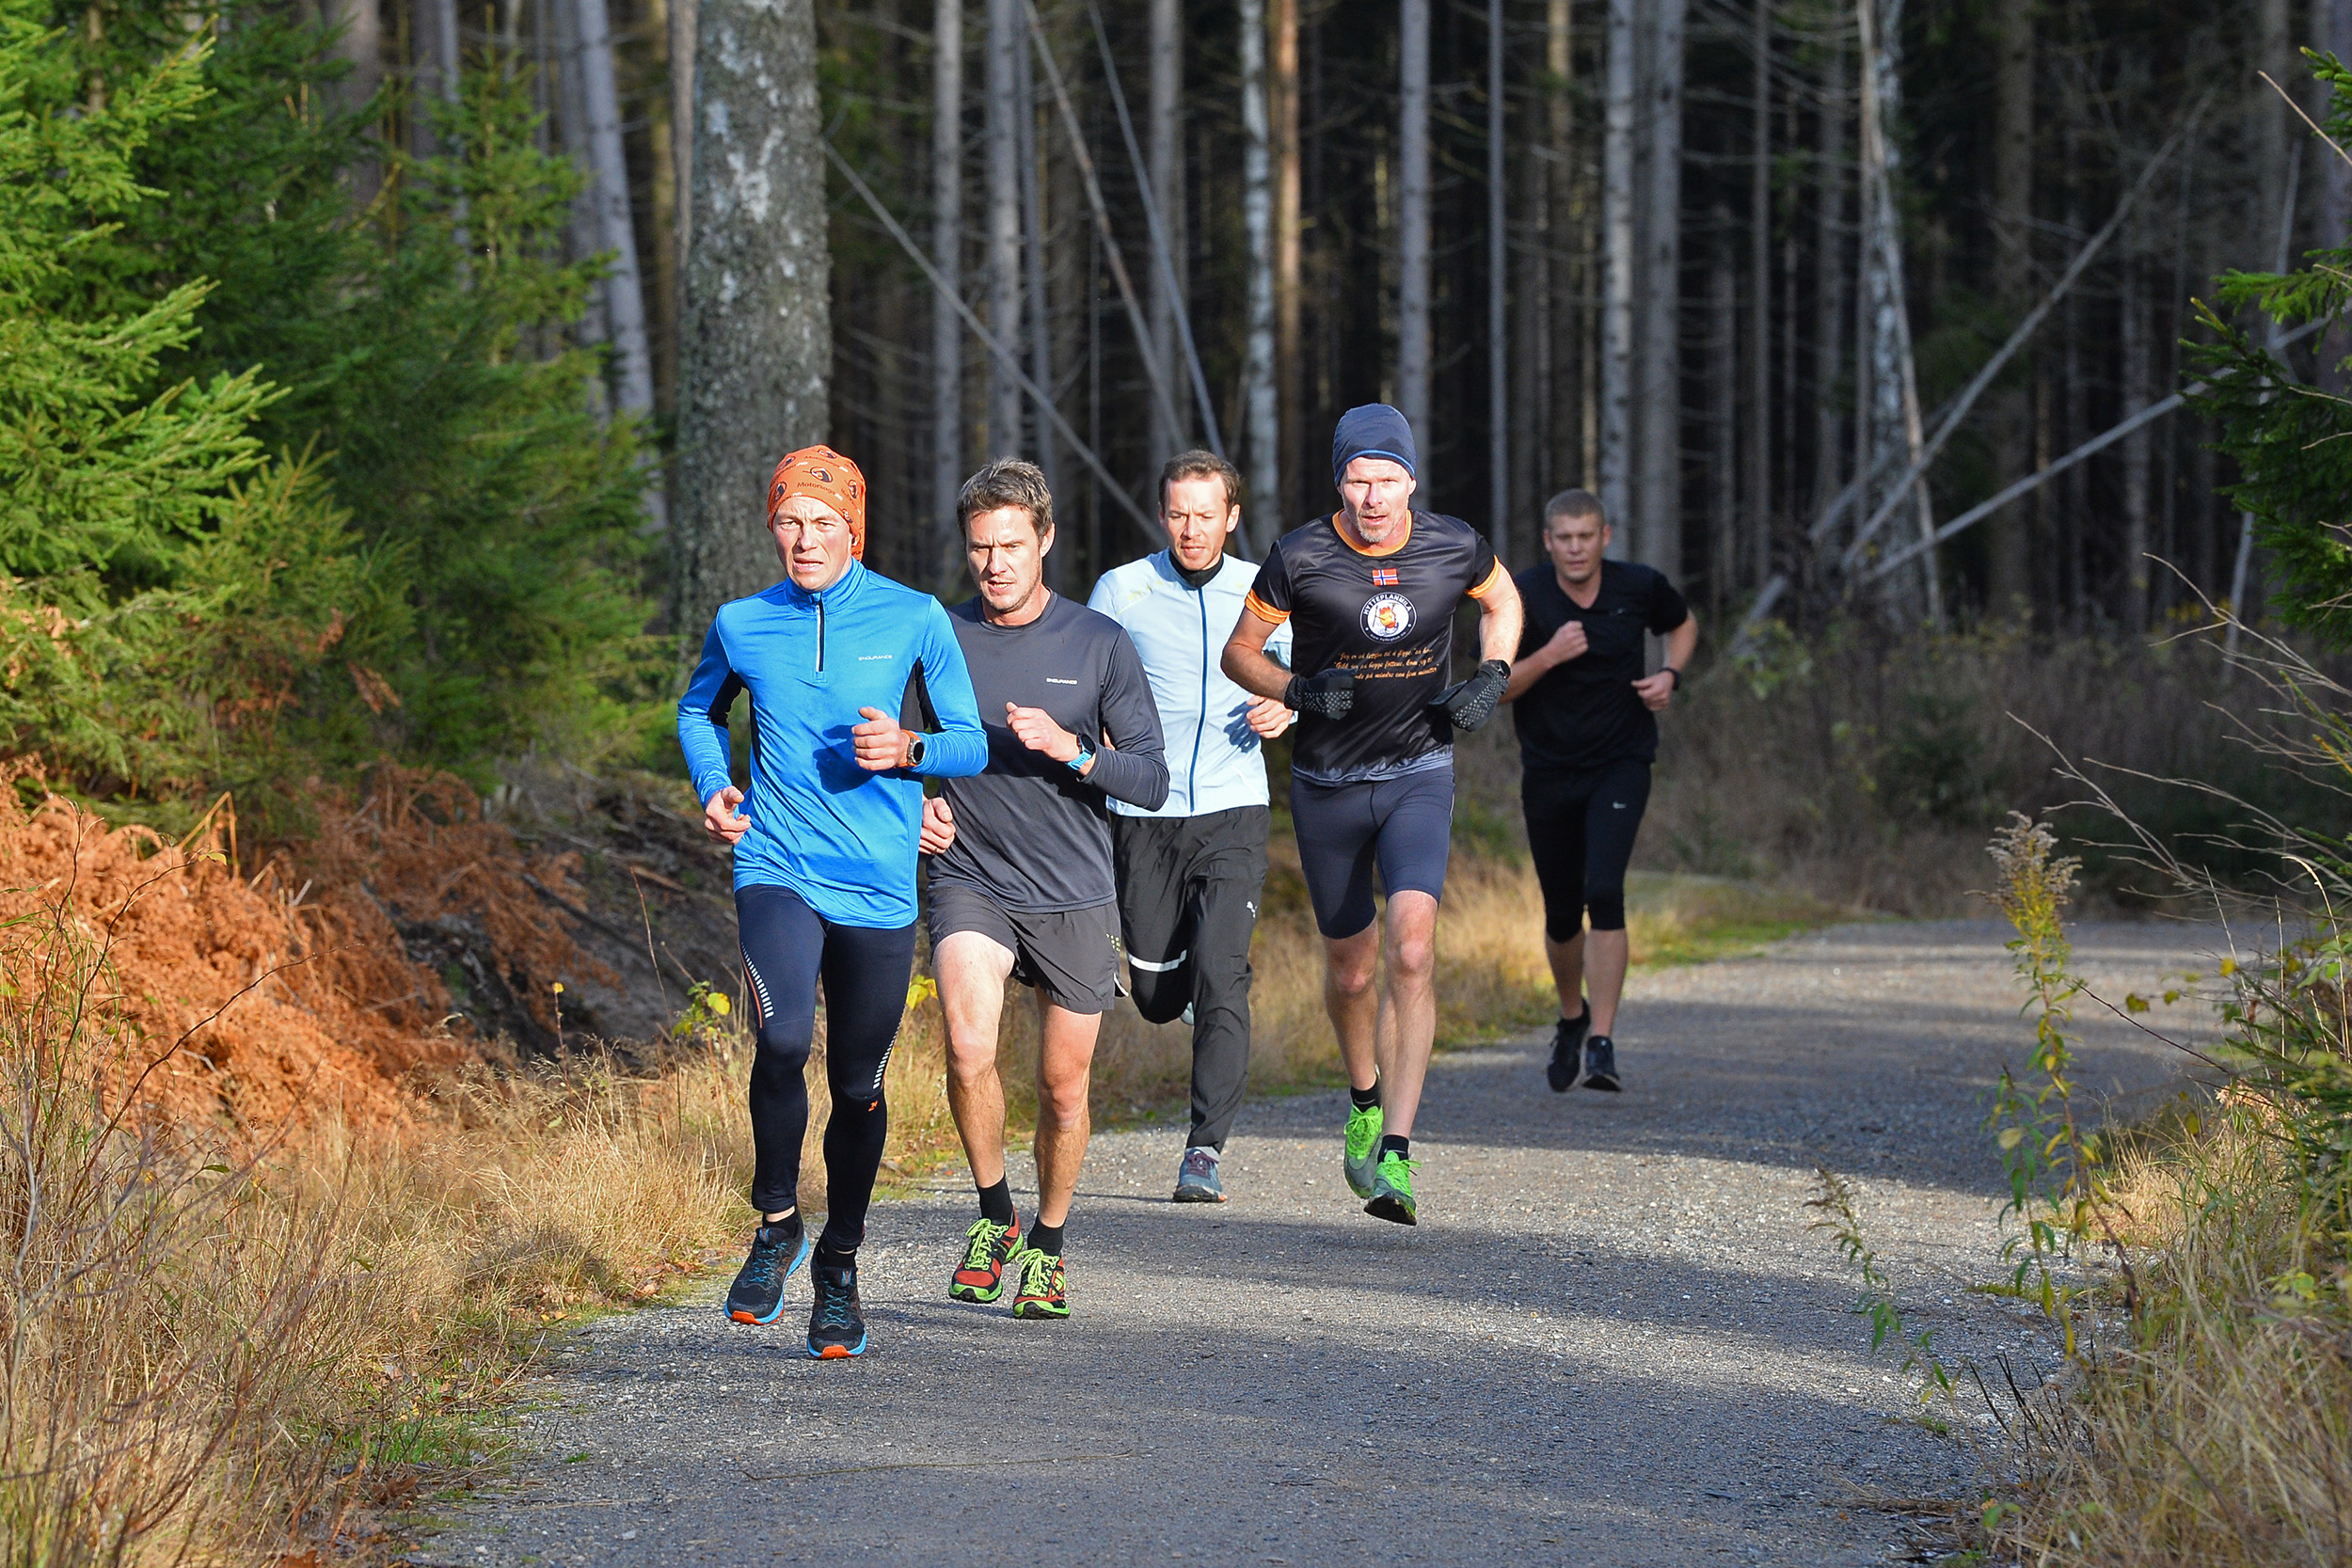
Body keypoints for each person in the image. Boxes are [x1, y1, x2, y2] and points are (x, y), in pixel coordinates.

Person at [678, 446, 988, 1359]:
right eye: (789, 522)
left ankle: (840, 1264)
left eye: (823, 523)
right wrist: (713, 783)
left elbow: (969, 740)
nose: (804, 539)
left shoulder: (914, 617)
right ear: (771, 527)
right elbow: (699, 711)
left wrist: (910, 750)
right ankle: (777, 1219)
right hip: (776, 861)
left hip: (880, 880)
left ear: (854, 527)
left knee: (858, 1084)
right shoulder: (742, 622)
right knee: (778, 1039)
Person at [1221, 404, 1523, 1226]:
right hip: (1327, 783)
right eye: (1359, 480)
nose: (1374, 496)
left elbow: (1504, 600)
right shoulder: (1300, 554)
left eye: (1388, 480)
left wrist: (1493, 673)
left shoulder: (1453, 543)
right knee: (1352, 969)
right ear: (1340, 483)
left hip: (1420, 772)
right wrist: (1297, 689)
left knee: (1414, 948)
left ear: (1411, 482)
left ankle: (1396, 1147)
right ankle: (1362, 1092)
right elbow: (1238, 652)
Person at [928, 457, 1169, 1318]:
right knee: (966, 1043)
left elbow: (1150, 779)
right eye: (980, 547)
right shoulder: (939, 633)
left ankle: (1050, 1243)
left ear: (1046, 541)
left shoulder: (1099, 643)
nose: (993, 564)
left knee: (1065, 1088)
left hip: (1072, 887)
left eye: (1010, 546)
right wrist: (916, 804)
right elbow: (886, 743)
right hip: (971, 874)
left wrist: (1074, 751)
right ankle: (996, 1215)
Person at [1088, 451, 1295, 1204]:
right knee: (1148, 992)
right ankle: (1174, 989)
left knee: (1220, 970)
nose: (1190, 528)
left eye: (1205, 515)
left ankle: (1204, 1148)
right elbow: (1085, 677)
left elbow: (1298, 675)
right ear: (1163, 512)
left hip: (1236, 805)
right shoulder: (1124, 588)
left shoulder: (1262, 589)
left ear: (1231, 517)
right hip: (1144, 810)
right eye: (1178, 513)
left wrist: (1287, 707)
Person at [1502, 488, 1697, 1094]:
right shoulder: (1524, 596)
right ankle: (1571, 1016)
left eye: (1586, 536)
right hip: (1549, 767)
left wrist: (1670, 673)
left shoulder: (1638, 586)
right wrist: (1550, 656)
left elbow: (1683, 624)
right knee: (1562, 909)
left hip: (1621, 759)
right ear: (1548, 542)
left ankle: (1603, 1042)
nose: (1576, 548)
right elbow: (1496, 686)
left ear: (1605, 537)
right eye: (1564, 537)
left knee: (1604, 890)